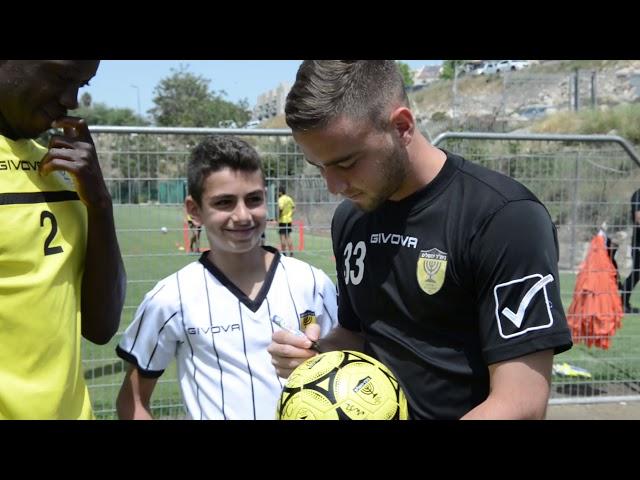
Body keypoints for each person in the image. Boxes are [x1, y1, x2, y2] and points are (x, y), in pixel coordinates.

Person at [267, 60, 573, 420]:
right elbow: (360, 334)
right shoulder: (351, 219)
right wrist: (316, 354)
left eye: (346, 163)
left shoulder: (504, 218)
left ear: (402, 126)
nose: (334, 187)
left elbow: (521, 403)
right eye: (319, 167)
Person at [115, 135, 337, 420]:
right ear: (194, 211)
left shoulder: (311, 283)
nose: (243, 215)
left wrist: (318, 360)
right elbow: (132, 401)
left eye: (254, 199)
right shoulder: (171, 298)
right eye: (224, 202)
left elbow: (349, 365)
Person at [0, 60, 126, 419]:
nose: (71, 100)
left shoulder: (59, 171)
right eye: (60, 77)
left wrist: (100, 203)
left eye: (82, 83)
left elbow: (101, 328)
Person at [621, 188, 640, 314]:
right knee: (636, 273)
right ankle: (622, 302)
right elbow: (638, 218)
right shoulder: (638, 195)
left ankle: (623, 302)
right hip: (639, 241)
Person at [277, 185, 295, 256]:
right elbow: (294, 208)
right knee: (288, 236)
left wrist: (278, 217)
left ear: (280, 192)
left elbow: (280, 209)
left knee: (282, 236)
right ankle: (291, 251)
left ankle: (284, 253)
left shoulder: (281, 199)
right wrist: (290, 215)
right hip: (289, 220)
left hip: (282, 220)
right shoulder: (289, 198)